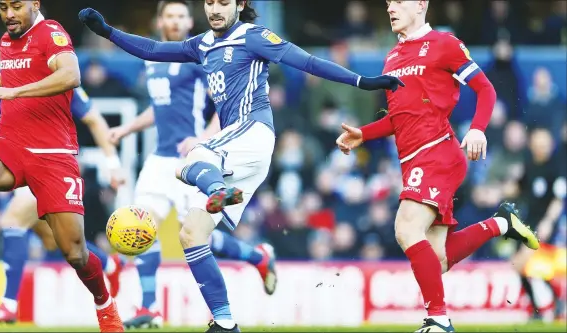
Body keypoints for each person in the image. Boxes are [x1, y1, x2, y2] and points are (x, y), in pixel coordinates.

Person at [80, 0, 402, 331]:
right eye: (209, 2)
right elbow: (152, 49)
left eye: (223, 2)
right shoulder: (202, 44)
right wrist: (107, 32)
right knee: (192, 235)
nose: (215, 9)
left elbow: (306, 61)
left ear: (240, 4)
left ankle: (218, 188)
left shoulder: (253, 36)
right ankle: (225, 322)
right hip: (237, 152)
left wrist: (364, 81)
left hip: (252, 133)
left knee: (187, 163)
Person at [336, 1, 540, 332]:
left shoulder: (444, 44)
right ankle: (501, 223)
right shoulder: (393, 57)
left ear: (421, 4)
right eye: (388, 2)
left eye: (399, 1)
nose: (390, 7)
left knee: (405, 228)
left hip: (437, 152)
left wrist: (476, 129)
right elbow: (400, 118)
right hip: (412, 158)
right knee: (437, 260)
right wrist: (364, 133)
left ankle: (438, 320)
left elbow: (485, 89)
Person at [0, 1, 123, 331]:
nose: (9, 14)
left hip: (53, 154)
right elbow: (16, 71)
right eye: (3, 6)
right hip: (11, 143)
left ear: (35, 4)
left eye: (16, 6)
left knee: (74, 252)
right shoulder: (7, 40)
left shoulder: (52, 33)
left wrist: (11, 91)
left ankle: (104, 303)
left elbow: (71, 75)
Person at [105, 1, 277, 329]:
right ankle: (150, 306)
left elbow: (222, 105)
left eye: (181, 15)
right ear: (160, 21)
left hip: (197, 160)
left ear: (188, 20)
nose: (175, 20)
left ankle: (258, 257)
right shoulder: (154, 62)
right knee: (142, 224)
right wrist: (127, 128)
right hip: (159, 160)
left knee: (199, 235)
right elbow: (161, 109)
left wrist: (204, 140)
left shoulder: (202, 55)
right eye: (169, 15)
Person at [0, 88, 126, 324]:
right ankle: (108, 263)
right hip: (22, 164)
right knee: (55, 240)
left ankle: (9, 304)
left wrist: (113, 164)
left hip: (54, 168)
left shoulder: (61, 81)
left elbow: (94, 119)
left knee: (13, 218)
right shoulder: (16, 78)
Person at [513, 128, 565, 320]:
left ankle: (547, 305)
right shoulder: (529, 166)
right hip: (528, 223)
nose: (541, 148)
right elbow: (518, 187)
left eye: (544, 145)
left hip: (545, 224)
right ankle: (545, 304)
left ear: (551, 145)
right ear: (532, 145)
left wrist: (549, 222)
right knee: (521, 266)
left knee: (527, 262)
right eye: (538, 145)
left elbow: (558, 200)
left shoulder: (557, 168)